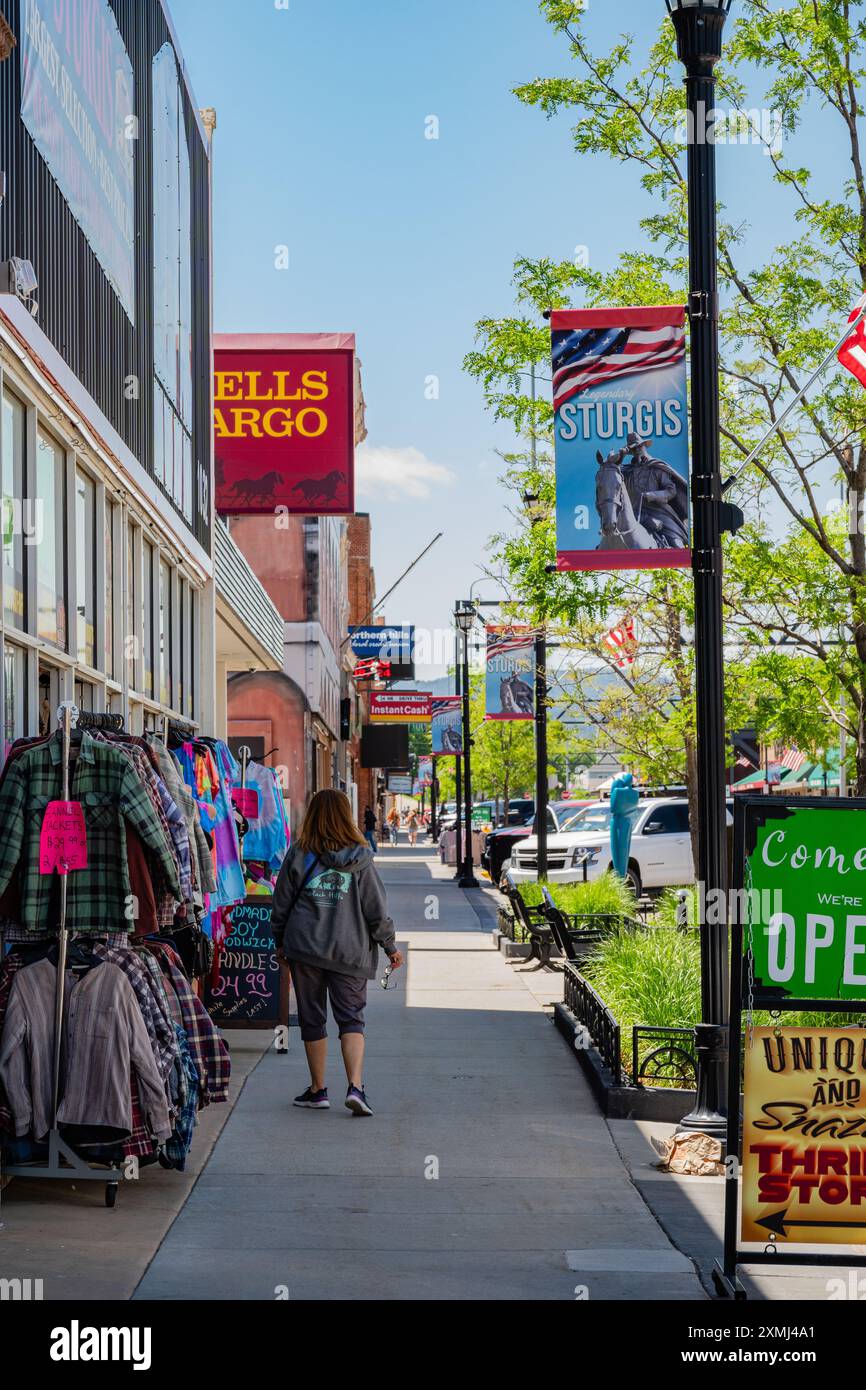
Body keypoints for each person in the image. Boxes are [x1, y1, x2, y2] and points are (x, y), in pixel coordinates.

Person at [271, 789, 404, 1117]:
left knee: (312, 1019)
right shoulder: (361, 857)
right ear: (346, 815)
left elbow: (281, 903)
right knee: (352, 1020)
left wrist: (279, 942)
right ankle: (355, 1087)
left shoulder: (299, 853)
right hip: (350, 951)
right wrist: (389, 946)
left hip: (305, 949)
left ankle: (318, 1091)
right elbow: (375, 909)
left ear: (313, 814)